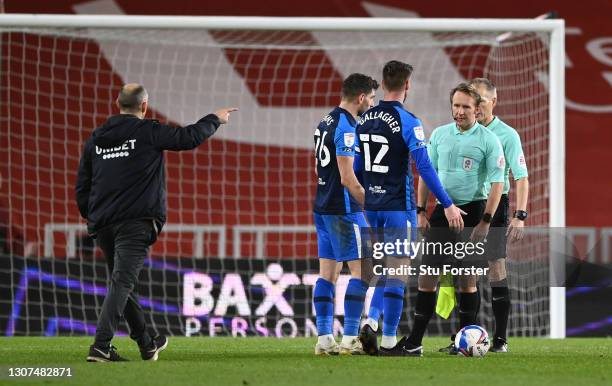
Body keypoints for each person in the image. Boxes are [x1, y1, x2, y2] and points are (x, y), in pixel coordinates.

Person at [75, 83, 237, 362]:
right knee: (122, 283)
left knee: (122, 284)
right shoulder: (148, 131)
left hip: (103, 225)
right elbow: (188, 138)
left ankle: (147, 343)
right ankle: (101, 345)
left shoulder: (96, 139)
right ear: (144, 106)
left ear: (117, 103)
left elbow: (83, 186)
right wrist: (215, 119)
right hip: (135, 223)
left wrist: (92, 216)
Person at [356, 61, 465, 356]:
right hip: (397, 206)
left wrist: (368, 197)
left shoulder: (364, 118)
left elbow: (356, 168)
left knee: (382, 268)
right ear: (407, 85)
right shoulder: (408, 120)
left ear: (384, 82)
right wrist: (447, 203)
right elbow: (424, 167)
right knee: (399, 271)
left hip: (372, 206)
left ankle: (370, 321)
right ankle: (389, 338)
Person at [405, 82, 505, 356]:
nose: (459, 112)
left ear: (478, 109)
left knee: (467, 279)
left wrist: (485, 221)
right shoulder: (438, 135)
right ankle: (414, 341)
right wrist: (421, 210)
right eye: (456, 106)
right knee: (427, 277)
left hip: (473, 213)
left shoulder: (489, 140)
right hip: (441, 213)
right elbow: (428, 173)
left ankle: (466, 341)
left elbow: (498, 184)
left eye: (465, 107)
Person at [438, 78, 529, 353]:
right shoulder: (459, 132)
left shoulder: (506, 135)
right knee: (466, 274)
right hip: (467, 206)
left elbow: (521, 177)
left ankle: (500, 339)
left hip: (496, 206)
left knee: (496, 269)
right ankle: (466, 337)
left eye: (482, 101)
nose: (476, 107)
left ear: (493, 102)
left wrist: (520, 214)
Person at [312, 73, 378, 356]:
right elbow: (348, 179)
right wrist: (373, 204)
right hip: (344, 210)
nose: (373, 104)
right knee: (364, 272)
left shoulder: (324, 121)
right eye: (372, 98)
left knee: (327, 275)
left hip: (322, 209)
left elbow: (318, 169)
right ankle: (351, 337)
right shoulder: (347, 127)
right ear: (361, 97)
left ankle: (324, 339)